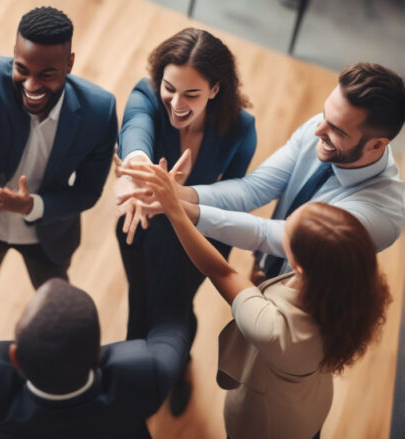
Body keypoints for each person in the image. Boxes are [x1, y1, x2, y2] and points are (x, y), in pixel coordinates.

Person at [0, 159, 189, 439]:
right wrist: (171, 211)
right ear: (99, 354)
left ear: (14, 356)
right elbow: (172, 316)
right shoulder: (145, 375)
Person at [127, 161, 390, 439]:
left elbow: (219, 270)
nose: (281, 228)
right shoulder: (347, 287)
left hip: (267, 423)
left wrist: (174, 211)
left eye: (286, 230)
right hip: (310, 401)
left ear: (298, 267)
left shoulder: (277, 331)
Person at [121, 62, 405, 282]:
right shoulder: (322, 128)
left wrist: (180, 209)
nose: (318, 130)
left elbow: (276, 236)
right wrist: (178, 193)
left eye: (337, 129)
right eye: (324, 115)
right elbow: (252, 189)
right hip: (264, 273)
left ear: (378, 144)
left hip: (305, 307)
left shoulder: (382, 214)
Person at [0, 6, 117, 317]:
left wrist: (32, 206)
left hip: (48, 234)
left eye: (47, 74)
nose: (32, 86)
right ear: (14, 54)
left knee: (56, 307)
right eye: (23, 70)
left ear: (69, 63)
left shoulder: (100, 112)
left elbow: (87, 191)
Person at [114, 27, 256, 415]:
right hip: (139, 222)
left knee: (176, 309)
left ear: (215, 89)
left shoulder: (241, 129)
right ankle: (138, 381)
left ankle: (173, 370)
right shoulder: (145, 96)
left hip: (197, 234)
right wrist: (140, 171)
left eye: (191, 93)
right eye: (169, 88)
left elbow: (237, 197)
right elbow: (136, 134)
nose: (176, 103)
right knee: (139, 306)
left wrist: (183, 200)